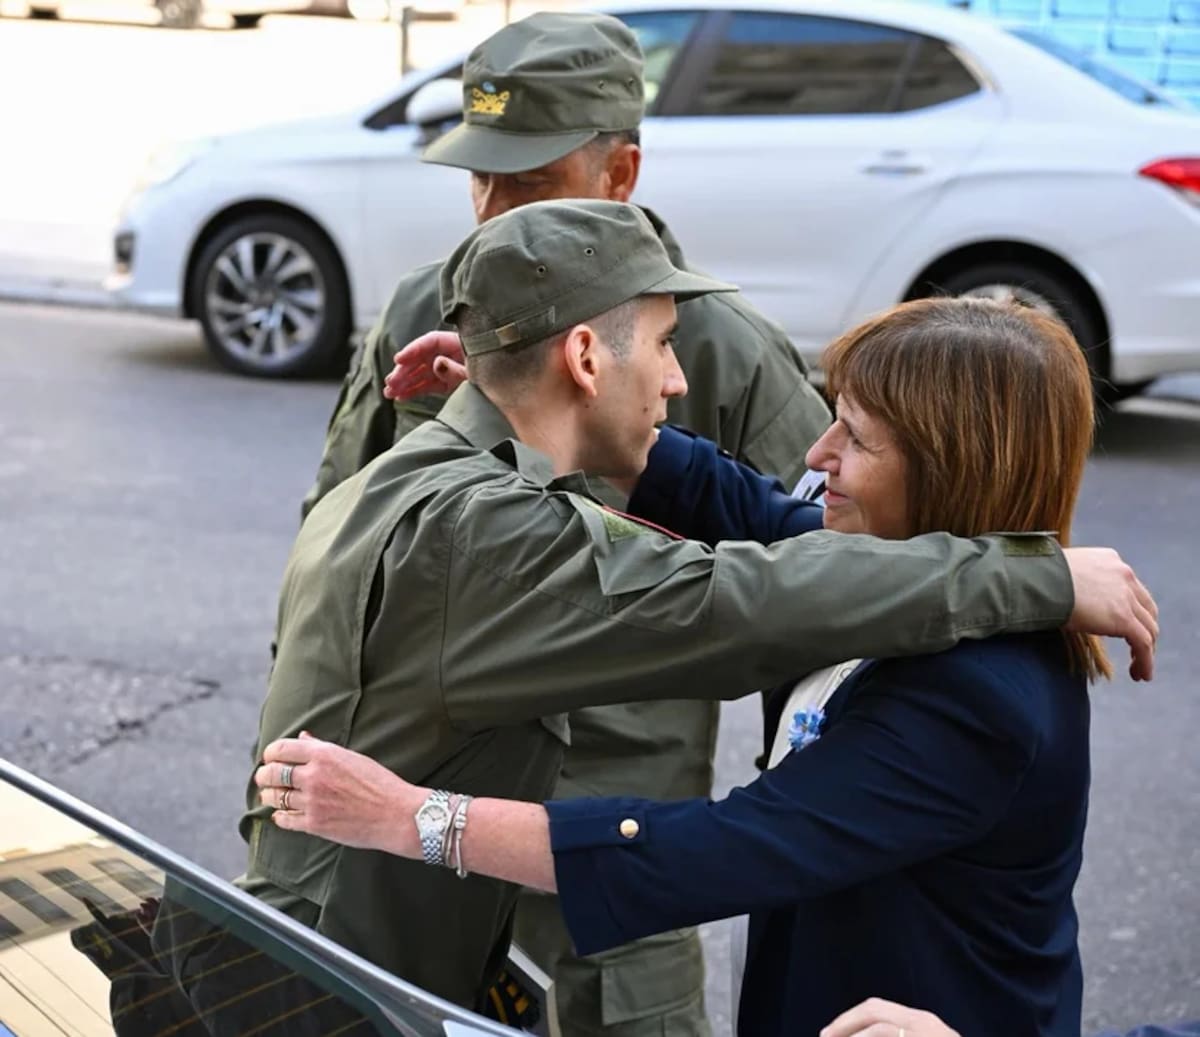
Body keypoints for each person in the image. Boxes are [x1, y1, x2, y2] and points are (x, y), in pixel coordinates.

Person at [252, 293, 1160, 1036]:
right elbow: (753, 510)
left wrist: (413, 816)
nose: (818, 456)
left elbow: (718, 850)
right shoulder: (898, 567)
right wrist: (534, 392)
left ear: (954, 472)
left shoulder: (977, 695)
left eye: (856, 439)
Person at [302, 15, 832, 1030]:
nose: (493, 215)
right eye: (479, 179)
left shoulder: (713, 345)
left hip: (603, 872)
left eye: (530, 184)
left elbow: (828, 573)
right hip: (414, 842)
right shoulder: (435, 307)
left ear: (620, 172)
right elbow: (334, 540)